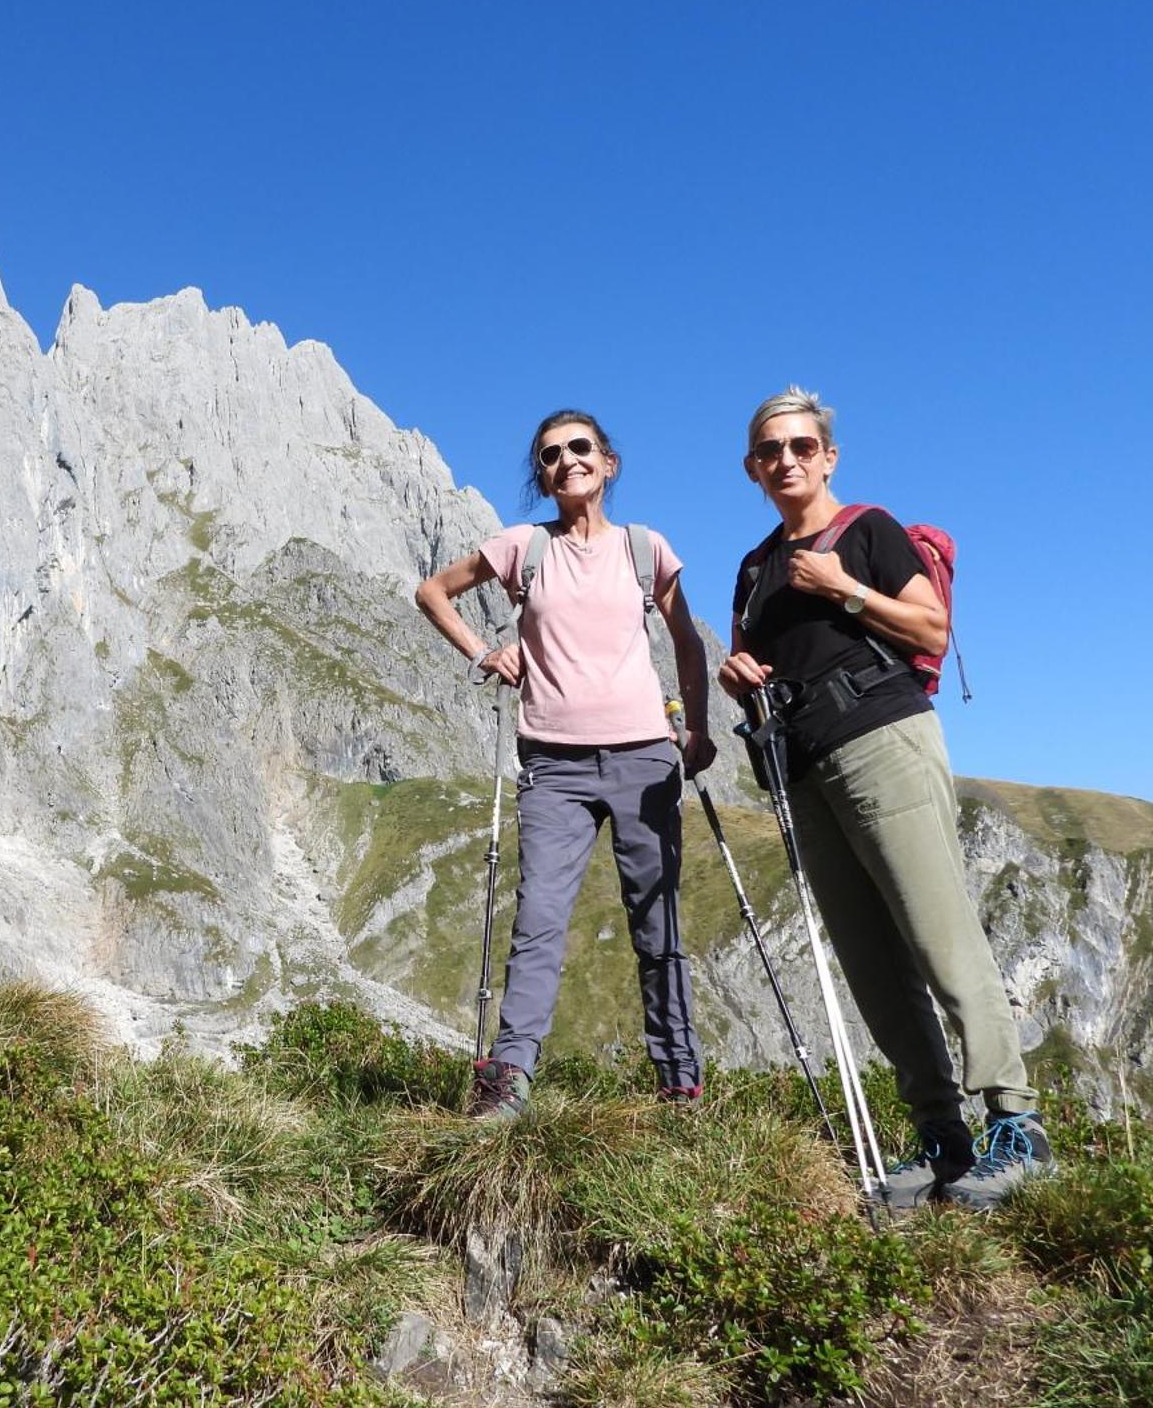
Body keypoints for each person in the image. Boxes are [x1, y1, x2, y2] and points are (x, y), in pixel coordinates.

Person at [717, 386, 1053, 1209]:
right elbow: (753, 660)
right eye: (771, 450)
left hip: (882, 740)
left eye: (802, 446)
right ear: (752, 468)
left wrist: (844, 588)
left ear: (828, 455)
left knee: (937, 932)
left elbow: (931, 630)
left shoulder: (867, 530)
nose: (786, 460)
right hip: (803, 765)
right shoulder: (754, 569)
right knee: (871, 962)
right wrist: (739, 675)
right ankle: (942, 1138)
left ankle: (1015, 1123)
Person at [416, 411, 717, 1119]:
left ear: (608, 463)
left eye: (579, 449)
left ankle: (680, 1083)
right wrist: (484, 653)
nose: (566, 462)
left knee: (657, 924)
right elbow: (433, 592)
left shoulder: (645, 549)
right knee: (539, 923)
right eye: (549, 456)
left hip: (645, 758)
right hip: (553, 765)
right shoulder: (524, 547)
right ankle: (508, 1084)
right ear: (542, 476)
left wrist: (697, 728)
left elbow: (686, 642)